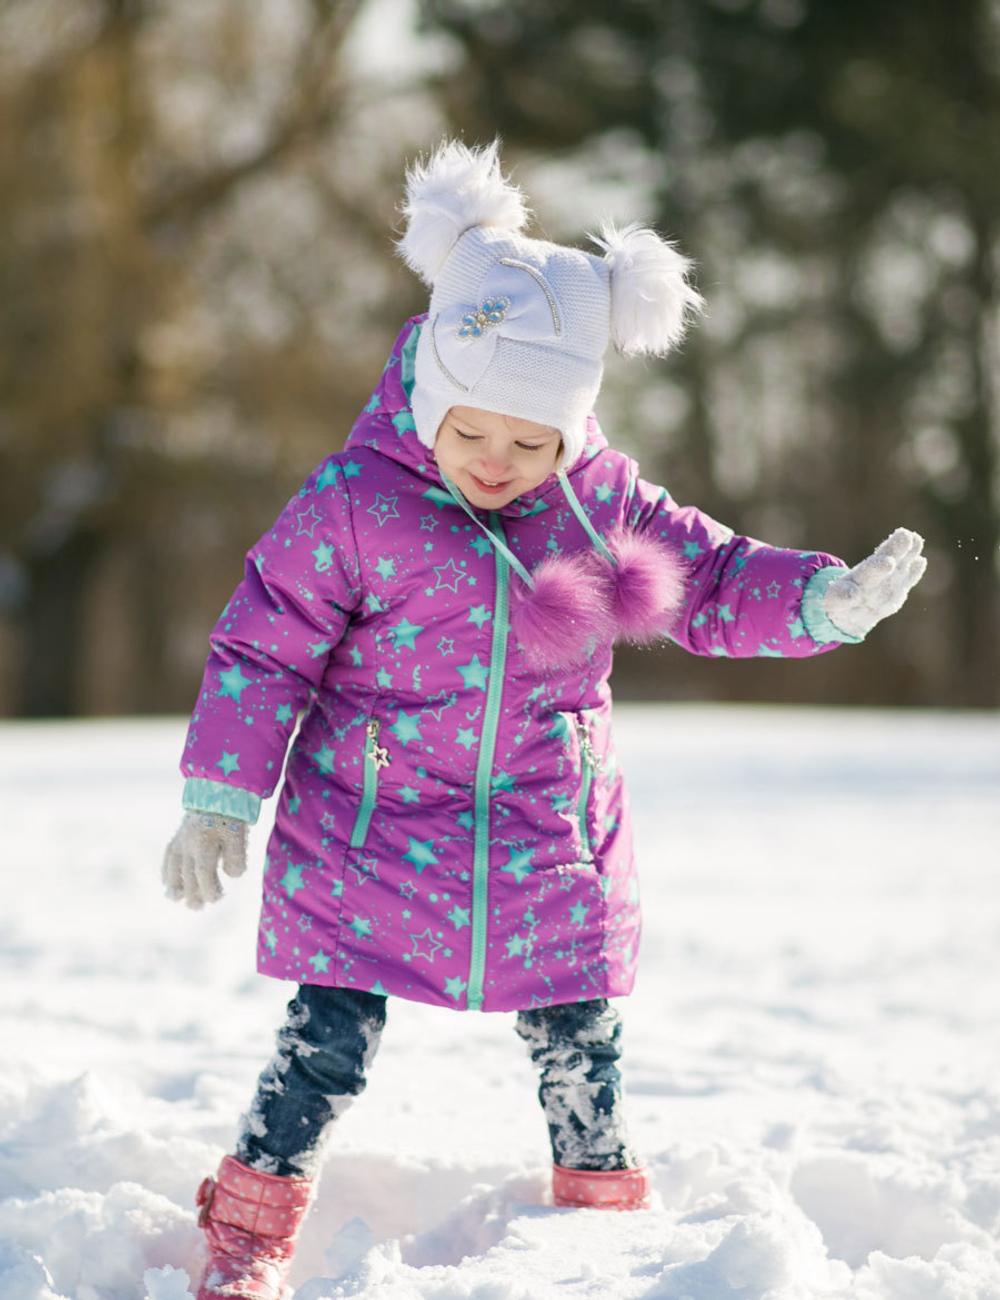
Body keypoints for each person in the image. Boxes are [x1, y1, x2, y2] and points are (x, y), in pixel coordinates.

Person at [162, 139, 926, 1300]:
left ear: (573, 428)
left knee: (577, 1029)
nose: (498, 463)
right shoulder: (357, 504)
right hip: (373, 820)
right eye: (472, 434)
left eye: (532, 443)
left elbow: (711, 581)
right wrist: (222, 794)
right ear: (429, 394)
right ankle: (250, 1224)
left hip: (543, 818)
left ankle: (599, 1210)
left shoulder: (599, 500)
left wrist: (822, 599)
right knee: (327, 1032)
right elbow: (263, 642)